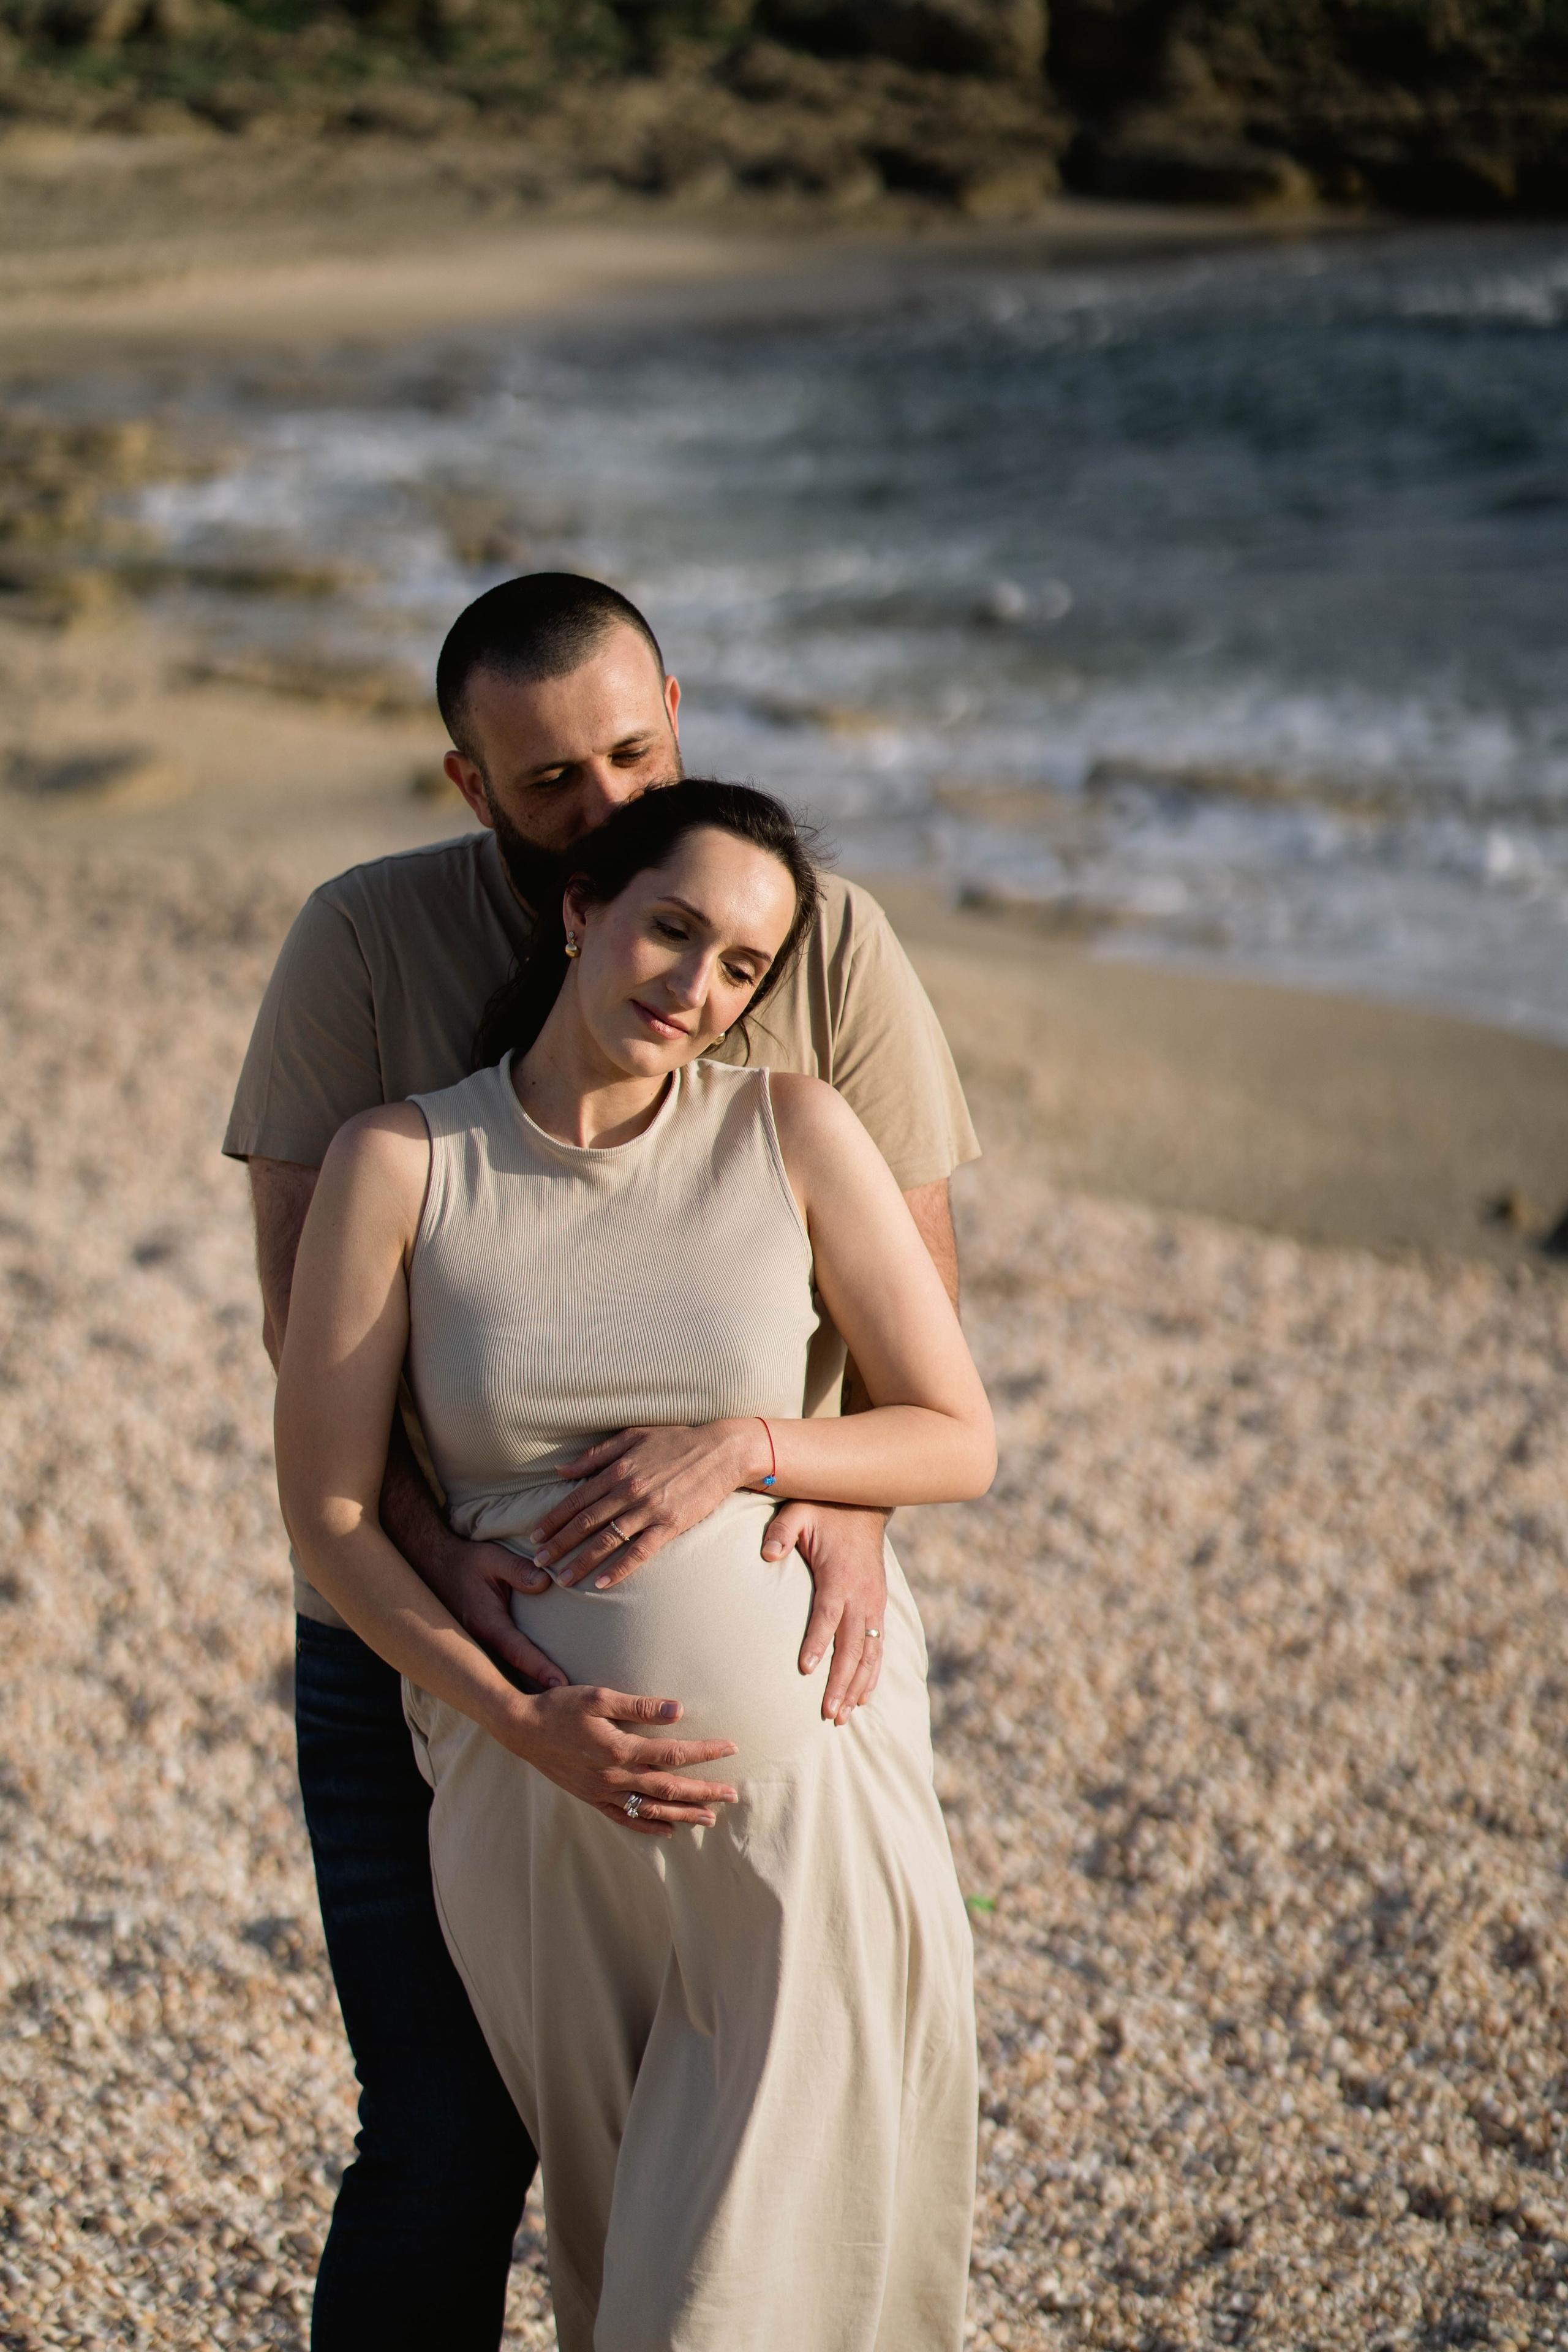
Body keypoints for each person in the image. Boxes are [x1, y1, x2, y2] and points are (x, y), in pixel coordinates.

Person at [225, 573, 980, 2348]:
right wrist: (489, 1653)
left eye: (640, 749)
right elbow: (311, 1371)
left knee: (764, 2211)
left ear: (682, 713)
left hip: (792, 1716)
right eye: (557, 781)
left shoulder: (820, 948)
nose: (617, 802)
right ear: (475, 791)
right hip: (437, 1672)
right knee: (443, 2146)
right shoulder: (368, 962)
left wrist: (830, 1500)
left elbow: (921, 1353)